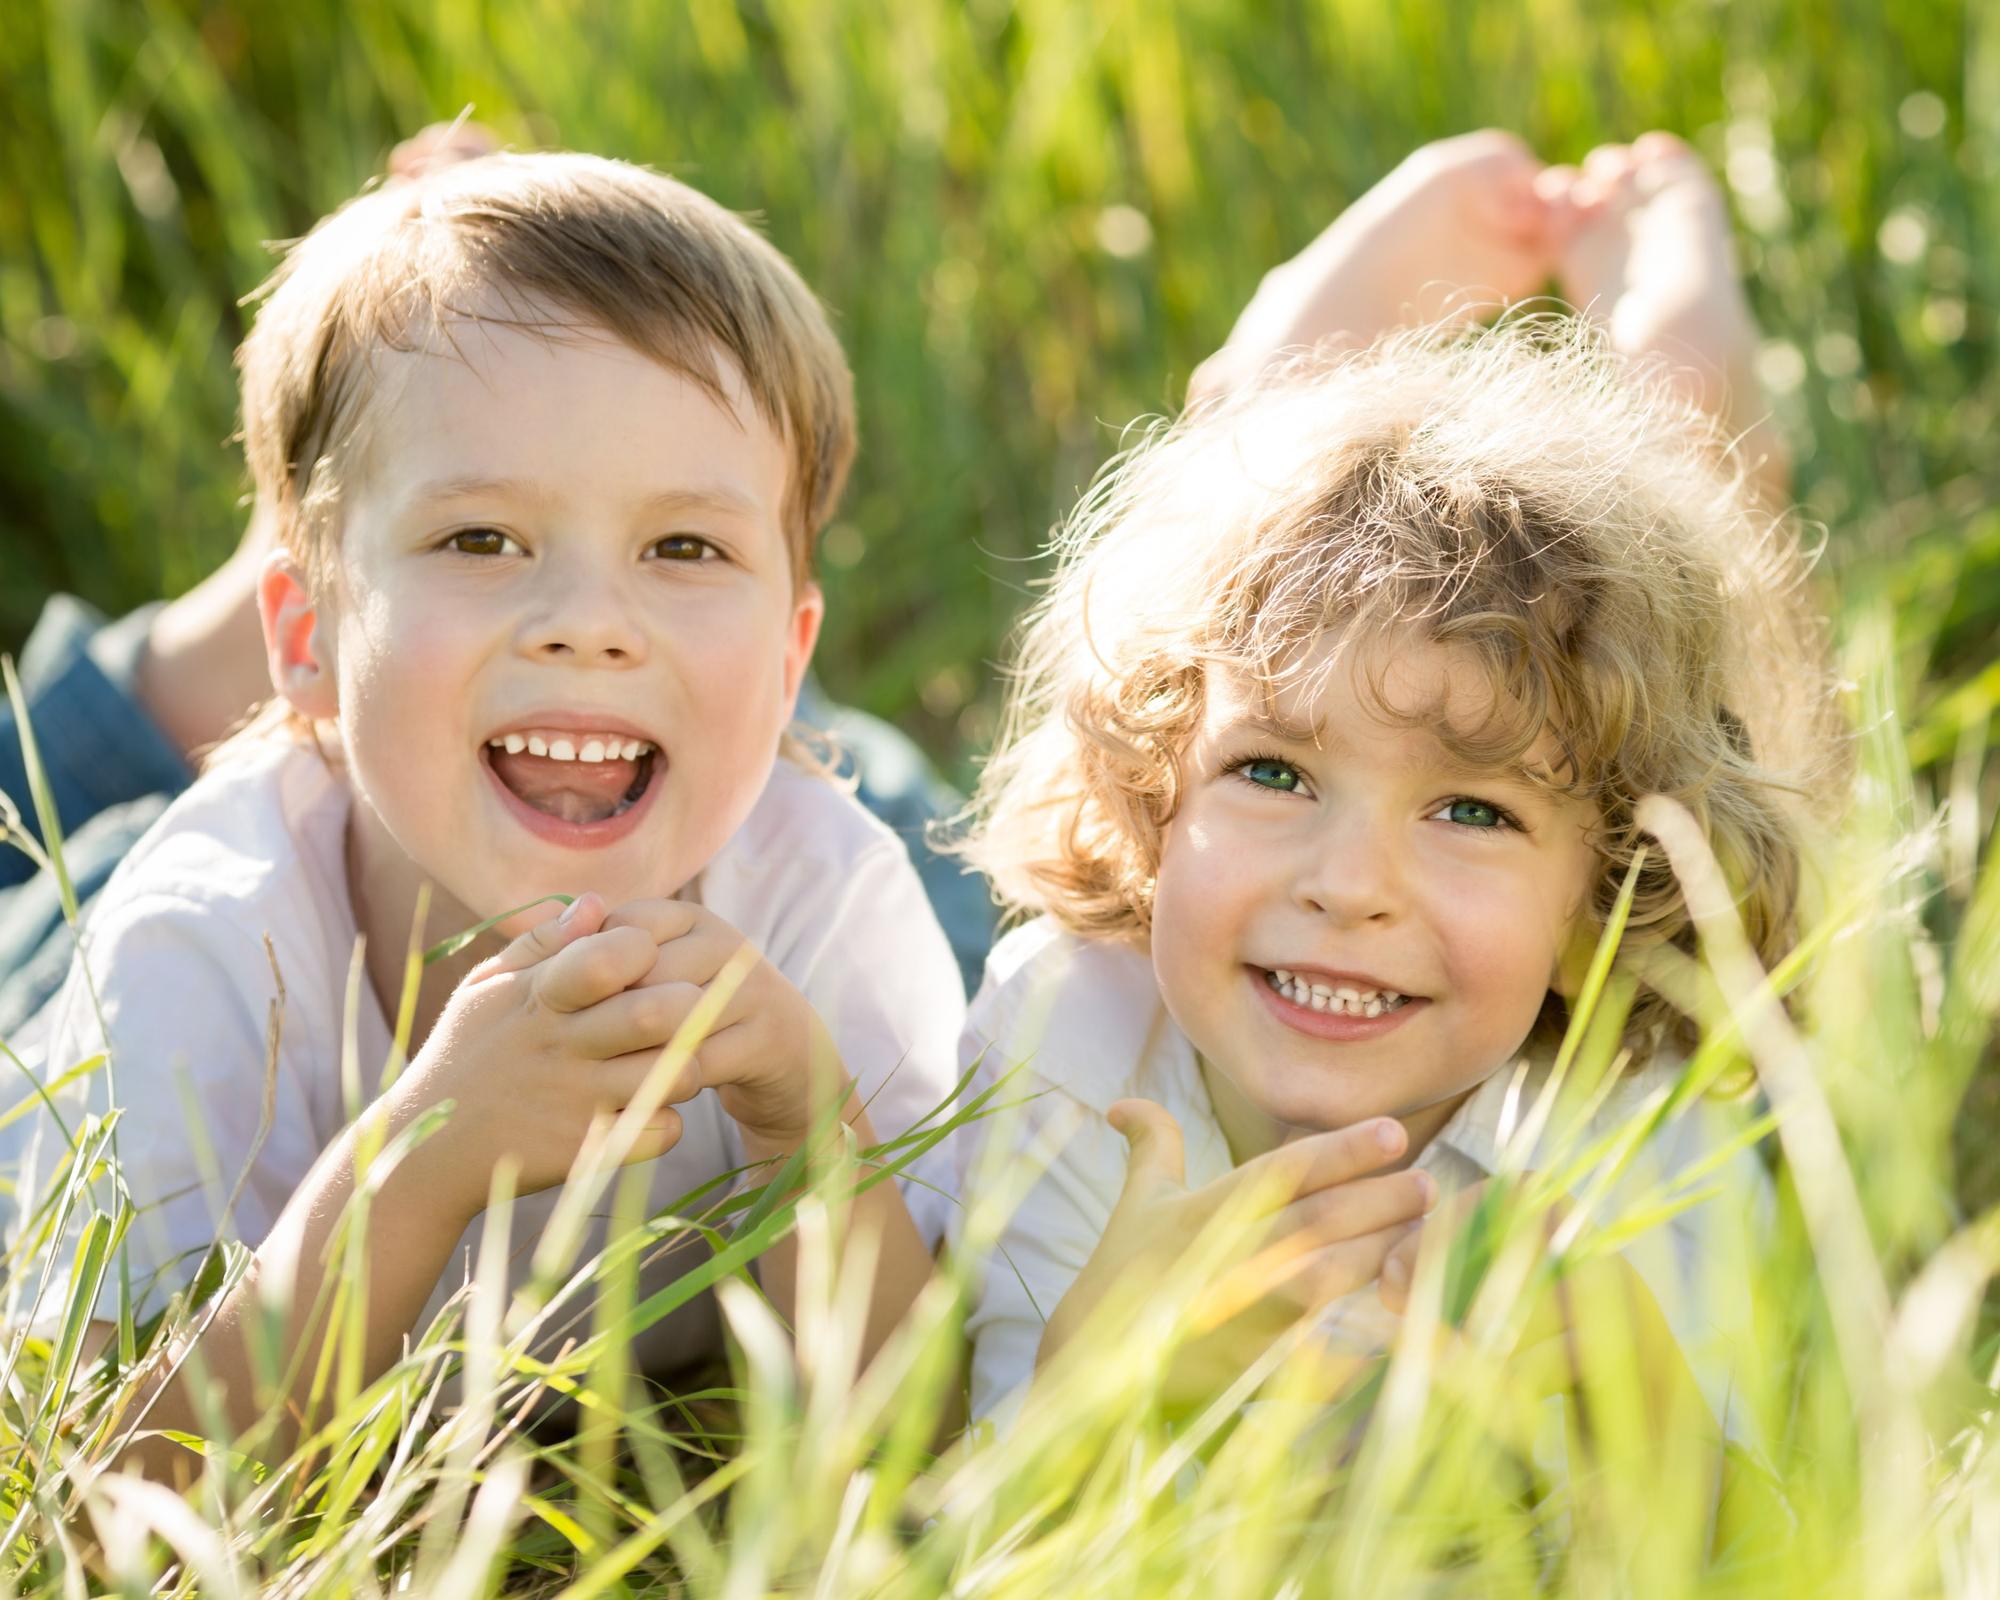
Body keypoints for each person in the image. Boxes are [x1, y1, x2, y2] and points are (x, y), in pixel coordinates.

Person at [16, 150, 975, 1485]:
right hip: (86, 930)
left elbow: (917, 1438)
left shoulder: (825, 900)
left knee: (986, 871)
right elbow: (119, 1503)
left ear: (795, 643)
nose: (589, 621)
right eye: (482, 540)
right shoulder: (205, 943)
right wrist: (415, 1165)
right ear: (301, 635)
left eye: (683, 548)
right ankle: (190, 655)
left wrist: (812, 1134)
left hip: (713, 764)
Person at [950, 133, 1827, 1453]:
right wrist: (1102, 1361)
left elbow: (1770, 1562)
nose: (1348, 884)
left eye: (1473, 810)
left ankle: (1700, 412)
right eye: (1269, 772)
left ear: (1607, 884)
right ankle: (1268, 392)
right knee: (1261, 579)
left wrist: (1632, 1384)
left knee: (1719, 656)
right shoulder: (1070, 1036)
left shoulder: (1638, 1131)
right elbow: (970, 1535)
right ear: (1152, 798)